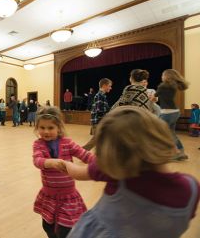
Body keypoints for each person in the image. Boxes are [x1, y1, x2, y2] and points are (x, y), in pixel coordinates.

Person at [64, 106, 199, 238]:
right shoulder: (191, 188)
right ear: (162, 138)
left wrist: (65, 164)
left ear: (109, 152)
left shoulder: (115, 172)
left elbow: (78, 173)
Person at [32, 106, 94, 238]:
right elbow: (37, 160)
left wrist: (101, 164)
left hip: (68, 196)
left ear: (59, 128)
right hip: (49, 195)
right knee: (48, 226)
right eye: (42, 128)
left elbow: (84, 155)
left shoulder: (68, 143)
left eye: (50, 128)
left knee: (65, 229)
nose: (46, 132)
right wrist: (50, 162)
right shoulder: (38, 144)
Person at [153, 69, 189, 161]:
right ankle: (180, 152)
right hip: (175, 112)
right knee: (171, 133)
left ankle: (160, 153)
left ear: (166, 76)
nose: (161, 77)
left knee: (158, 132)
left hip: (167, 113)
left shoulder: (162, 86)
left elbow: (154, 97)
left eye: (162, 75)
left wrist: (152, 97)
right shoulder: (173, 86)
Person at [82, 78, 112, 151]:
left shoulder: (102, 96)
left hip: (100, 121)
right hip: (98, 121)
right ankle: (81, 151)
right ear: (104, 86)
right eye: (109, 86)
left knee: (101, 140)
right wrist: (110, 113)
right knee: (96, 140)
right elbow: (100, 110)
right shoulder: (99, 95)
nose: (110, 88)